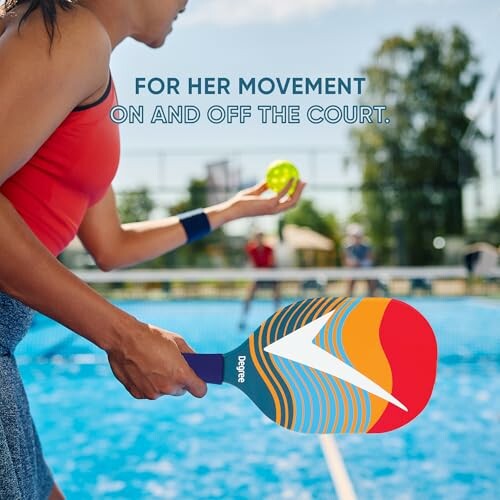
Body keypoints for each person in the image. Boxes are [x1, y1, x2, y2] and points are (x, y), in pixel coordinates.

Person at [0, 2, 306, 498]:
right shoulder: (72, 33)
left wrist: (228, 211)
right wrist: (123, 335)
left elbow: (111, 246)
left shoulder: (87, 64)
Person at [239, 232, 280, 330]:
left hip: (269, 274)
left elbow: (272, 262)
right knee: (248, 296)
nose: (259, 240)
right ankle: (243, 319)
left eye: (261, 238)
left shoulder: (269, 249)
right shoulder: (252, 250)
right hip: (258, 275)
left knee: (277, 294)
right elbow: (252, 263)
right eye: (257, 238)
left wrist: (267, 271)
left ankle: (279, 318)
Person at [344, 224, 376, 296]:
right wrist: (353, 263)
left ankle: (372, 297)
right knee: (350, 279)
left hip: (365, 269)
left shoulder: (367, 247)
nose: (356, 238)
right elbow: (347, 261)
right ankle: (348, 299)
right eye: (355, 236)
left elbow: (369, 259)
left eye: (358, 236)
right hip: (353, 270)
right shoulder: (348, 247)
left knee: (371, 279)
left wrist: (360, 263)